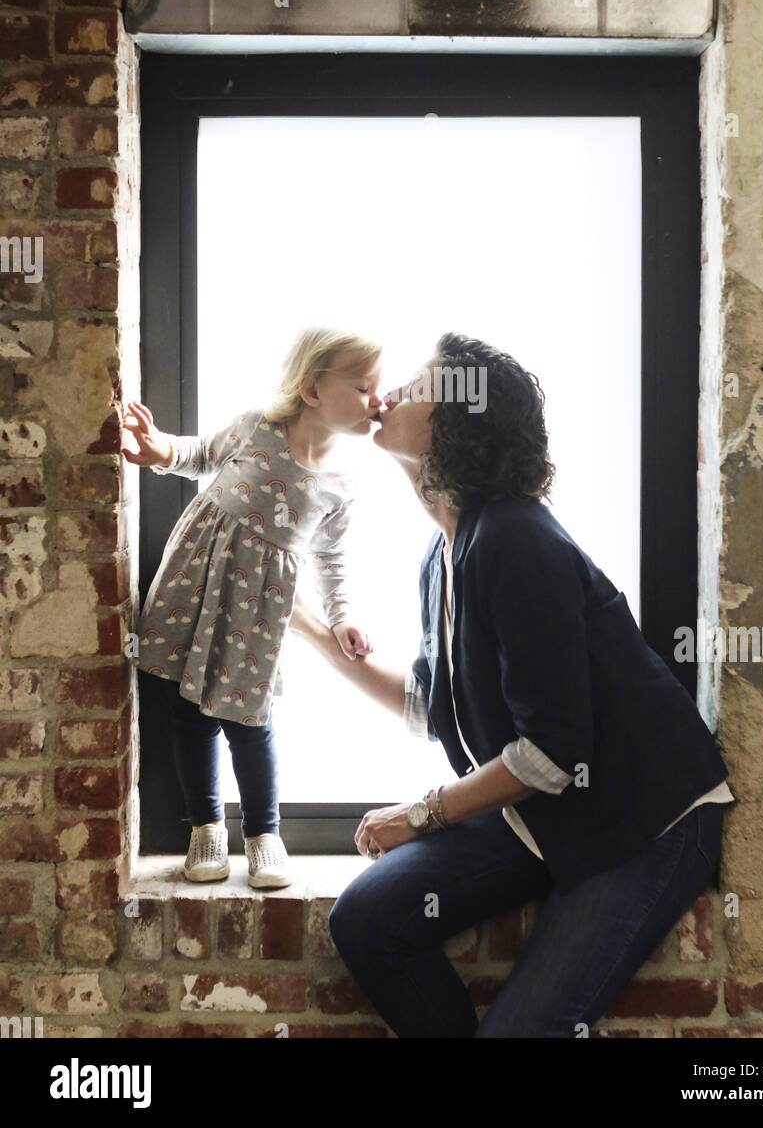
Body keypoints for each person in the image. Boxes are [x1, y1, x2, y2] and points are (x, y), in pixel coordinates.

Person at [288, 332, 735, 1037]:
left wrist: (420, 814)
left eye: (418, 383)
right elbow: (428, 707)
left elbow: (553, 752)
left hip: (646, 822)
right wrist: (309, 629)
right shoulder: (442, 558)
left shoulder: (517, 540)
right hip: (548, 812)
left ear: (463, 419)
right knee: (369, 919)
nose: (393, 392)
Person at [122, 326, 383, 889]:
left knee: (249, 718)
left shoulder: (339, 484)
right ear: (313, 390)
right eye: (364, 387)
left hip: (255, 613)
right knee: (188, 713)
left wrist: (341, 616)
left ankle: (265, 836)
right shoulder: (258, 427)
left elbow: (330, 557)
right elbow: (199, 454)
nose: (378, 400)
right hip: (194, 584)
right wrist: (159, 448)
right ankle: (205, 829)